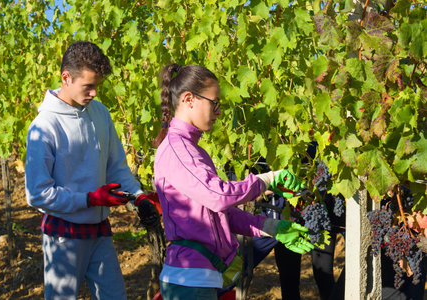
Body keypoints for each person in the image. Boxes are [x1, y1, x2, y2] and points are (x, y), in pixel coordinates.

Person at [152, 63, 314, 300]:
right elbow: (218, 197)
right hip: (189, 281)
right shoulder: (177, 150)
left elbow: (221, 213)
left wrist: (273, 228)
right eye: (214, 103)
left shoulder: (193, 150)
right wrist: (268, 179)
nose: (218, 111)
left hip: (203, 277)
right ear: (189, 99)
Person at [25, 41, 158, 299]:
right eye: (89, 86)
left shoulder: (100, 113)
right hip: (62, 235)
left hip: (99, 230)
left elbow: (117, 167)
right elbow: (37, 194)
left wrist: (138, 197)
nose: (95, 92)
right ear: (66, 77)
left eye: (98, 85)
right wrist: (90, 199)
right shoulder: (44, 126)